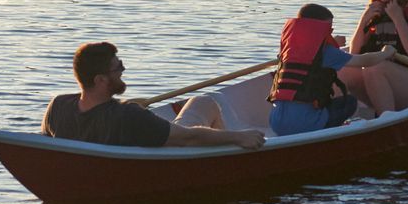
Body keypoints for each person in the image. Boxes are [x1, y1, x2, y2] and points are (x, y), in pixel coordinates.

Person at [42, 41, 265, 150]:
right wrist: (239, 137)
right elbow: (189, 138)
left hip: (101, 166)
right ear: (100, 80)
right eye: (118, 67)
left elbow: (51, 147)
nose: (123, 70)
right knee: (204, 102)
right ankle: (226, 160)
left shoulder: (58, 106)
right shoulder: (128, 116)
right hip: (169, 146)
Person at [267, 3, 363, 136]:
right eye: (328, 29)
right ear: (316, 28)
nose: (330, 32)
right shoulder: (327, 52)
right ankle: (324, 130)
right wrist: (386, 53)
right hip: (305, 125)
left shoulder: (287, 50)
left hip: (276, 123)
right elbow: (365, 61)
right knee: (350, 102)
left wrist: (333, 43)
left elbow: (312, 50)